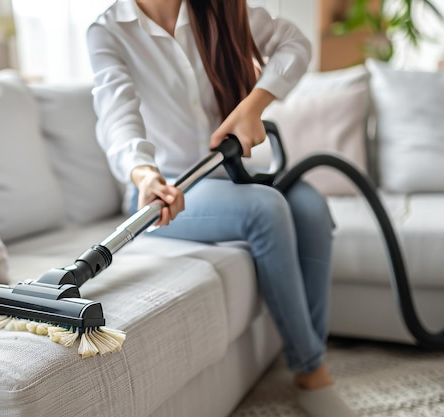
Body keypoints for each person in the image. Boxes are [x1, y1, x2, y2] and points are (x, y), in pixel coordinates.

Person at [86, 1, 357, 416]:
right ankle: (312, 369)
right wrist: (143, 174)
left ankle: (308, 353)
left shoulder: (220, 8)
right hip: (170, 190)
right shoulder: (108, 31)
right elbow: (116, 115)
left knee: (311, 207)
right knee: (265, 209)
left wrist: (254, 105)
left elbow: (295, 44)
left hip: (232, 173)